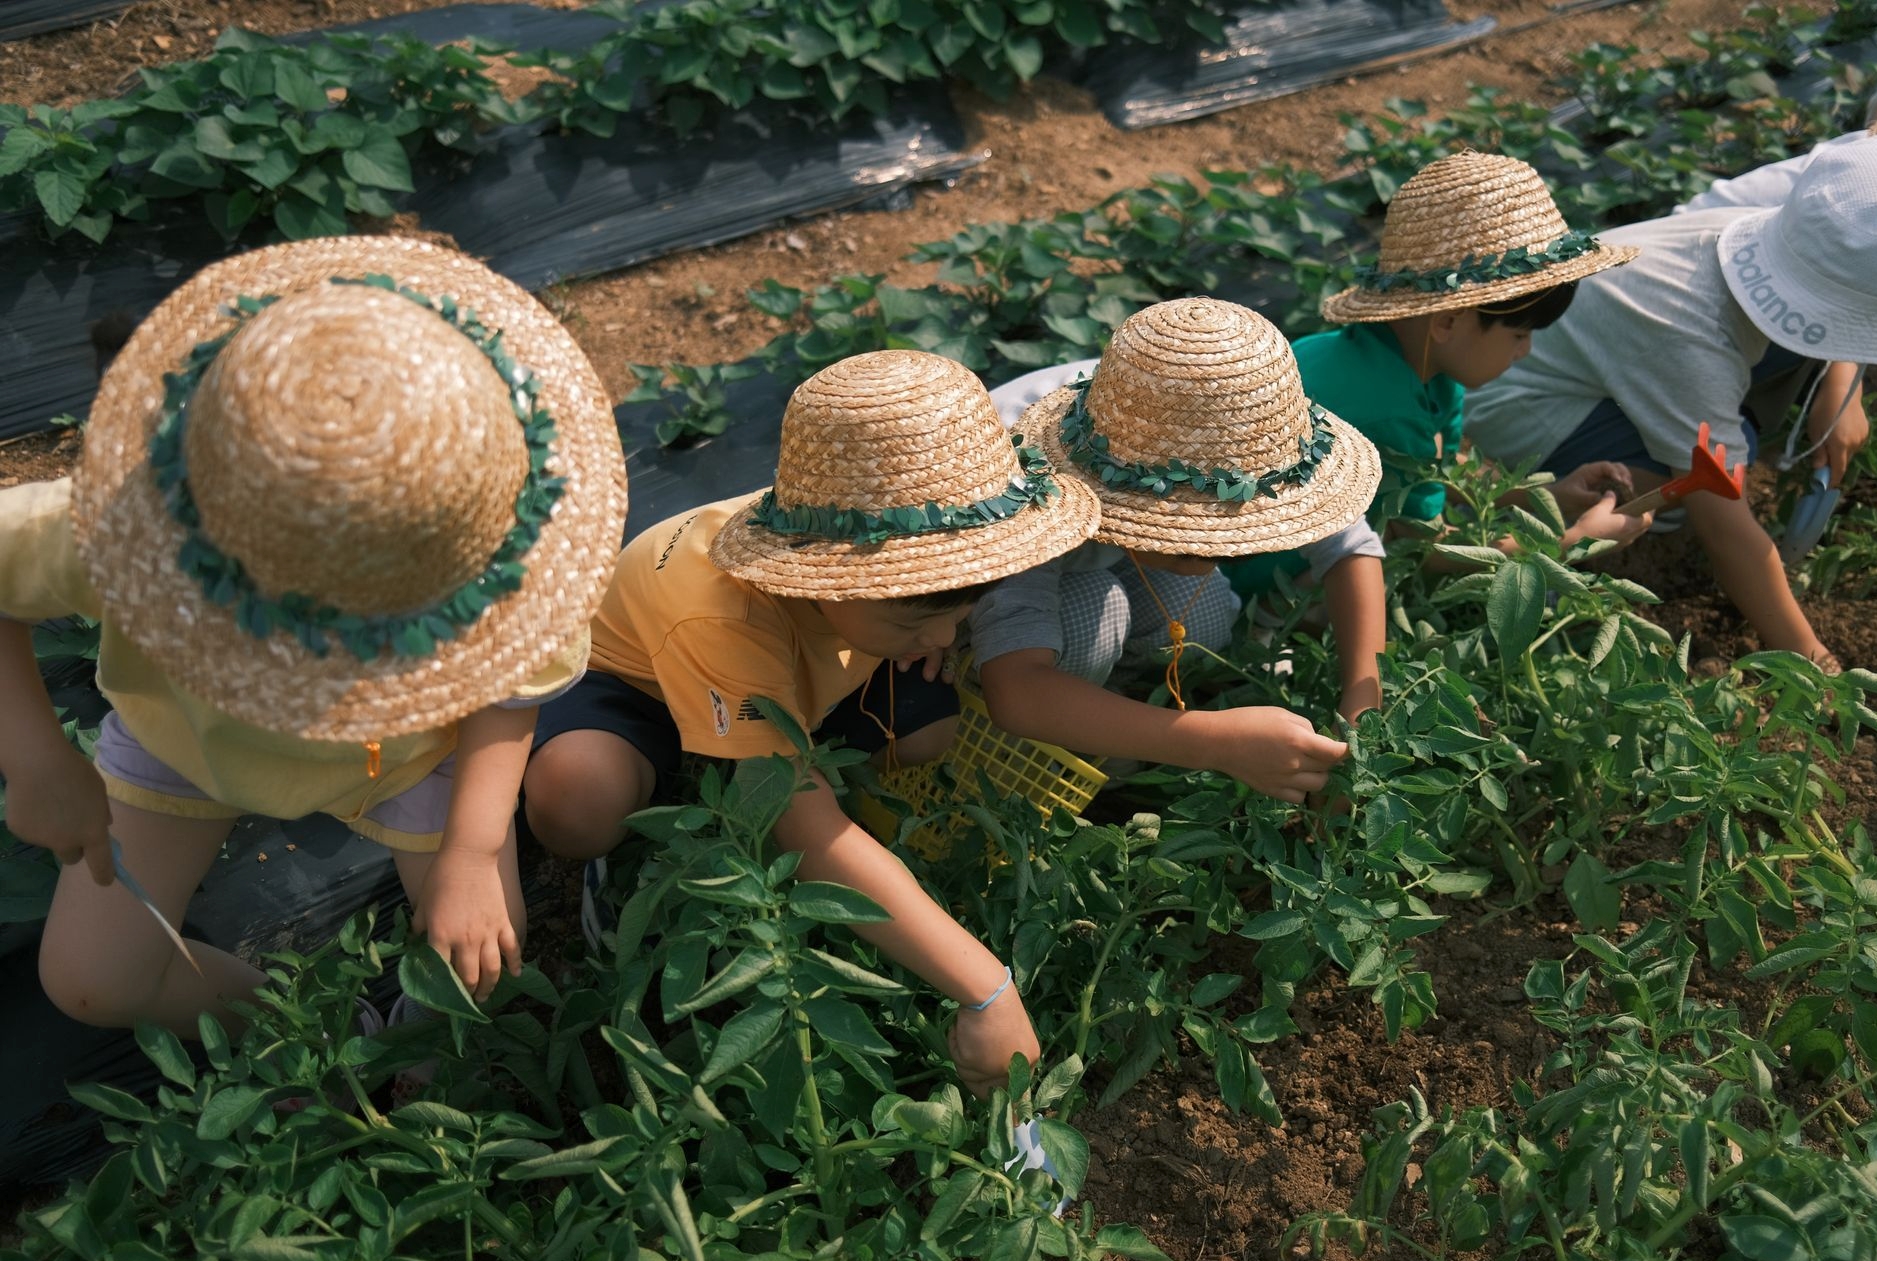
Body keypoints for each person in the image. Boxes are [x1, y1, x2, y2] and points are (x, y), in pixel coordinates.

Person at [0, 238, 628, 1039]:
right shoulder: (118, 525)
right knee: (92, 983)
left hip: (410, 752)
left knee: (482, 961)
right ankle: (302, 1029)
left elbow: (510, 691)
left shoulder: (505, 549)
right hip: (188, 741)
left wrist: (472, 851)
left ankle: (422, 1039)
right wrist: (33, 758)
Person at [521, 349, 1100, 1096]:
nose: (945, 637)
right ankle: (673, 803)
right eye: (922, 609)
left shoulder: (869, 520)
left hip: (803, 665)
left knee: (927, 733)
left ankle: (766, 764)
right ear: (828, 573)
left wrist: (920, 631)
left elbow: (910, 624)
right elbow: (805, 830)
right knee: (578, 799)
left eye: (957, 608)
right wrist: (985, 987)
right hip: (642, 690)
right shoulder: (716, 612)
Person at [1464, 136, 1877, 669]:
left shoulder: (1825, 211)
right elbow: (1727, 527)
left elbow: (1873, 315)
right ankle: (1535, 570)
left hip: (1614, 359)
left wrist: (1842, 384)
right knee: (1676, 483)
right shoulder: (1689, 338)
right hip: (1510, 393)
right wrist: (1811, 659)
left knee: (1731, 442)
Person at [972, 296, 1382, 793]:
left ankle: (1111, 720)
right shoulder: (1026, 478)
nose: (1209, 555)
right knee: (1091, 624)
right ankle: (1012, 770)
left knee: (1204, 620)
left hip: (1102, 551)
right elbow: (1018, 690)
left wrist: (1362, 712)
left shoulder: (1241, 427)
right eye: (1186, 540)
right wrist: (1213, 742)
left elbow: (1350, 547)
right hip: (978, 589)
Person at [1245, 151, 1651, 575]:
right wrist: (1571, 541)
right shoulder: (1389, 408)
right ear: (1449, 321)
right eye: (1518, 334)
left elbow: (1441, 468)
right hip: (1270, 582)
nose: (1525, 350)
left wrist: (1544, 497)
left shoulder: (1400, 359)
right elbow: (1427, 553)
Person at [1673, 103, 1877, 451]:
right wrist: (1839, 386)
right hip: (1708, 285)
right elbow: (1839, 295)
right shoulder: (1853, 198)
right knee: (1721, 442)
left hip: (1776, 281)